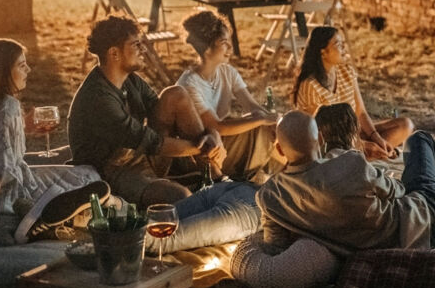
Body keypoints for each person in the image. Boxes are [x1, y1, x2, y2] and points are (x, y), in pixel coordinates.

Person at [257, 112, 435, 256]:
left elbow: (275, 246)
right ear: (319, 141)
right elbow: (401, 192)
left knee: (377, 210)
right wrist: (375, 175)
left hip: (368, 246)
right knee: (419, 141)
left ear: (279, 148)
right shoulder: (350, 165)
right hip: (423, 231)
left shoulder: (269, 196)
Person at [0, 39, 108, 243]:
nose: (28, 70)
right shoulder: (7, 107)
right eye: (22, 65)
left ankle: (55, 209)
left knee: (68, 171)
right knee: (89, 174)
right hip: (6, 201)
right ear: (1, 73)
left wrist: (22, 126)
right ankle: (40, 215)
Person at [69, 16, 226, 208]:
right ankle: (204, 179)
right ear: (114, 53)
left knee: (175, 94)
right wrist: (204, 148)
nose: (143, 49)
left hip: (140, 157)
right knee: (180, 196)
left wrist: (212, 133)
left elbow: (165, 112)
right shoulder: (98, 97)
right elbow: (150, 142)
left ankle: (217, 180)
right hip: (112, 172)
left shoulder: (131, 80)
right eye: (136, 44)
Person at [178, 11, 279, 181]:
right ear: (207, 49)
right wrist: (263, 119)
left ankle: (283, 171)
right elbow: (216, 127)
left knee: (264, 125)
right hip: (204, 151)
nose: (230, 49)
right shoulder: (189, 84)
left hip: (223, 142)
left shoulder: (227, 72)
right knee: (259, 125)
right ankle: (281, 173)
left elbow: (251, 106)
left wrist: (273, 121)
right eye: (224, 43)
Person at [291, 26, 412, 160]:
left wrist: (377, 139)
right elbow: (320, 134)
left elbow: (360, 113)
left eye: (343, 44)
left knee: (405, 125)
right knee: (354, 149)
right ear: (323, 52)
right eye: (338, 44)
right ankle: (365, 156)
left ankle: (370, 155)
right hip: (330, 142)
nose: (344, 48)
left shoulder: (346, 71)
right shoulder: (310, 85)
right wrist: (363, 145)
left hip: (354, 134)